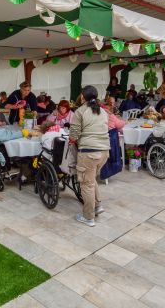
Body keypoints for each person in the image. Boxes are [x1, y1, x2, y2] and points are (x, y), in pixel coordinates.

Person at [69, 85, 110, 227]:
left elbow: (73, 135)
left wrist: (72, 139)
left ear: (82, 96)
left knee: (86, 184)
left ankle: (88, 217)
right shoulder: (103, 111)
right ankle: (98, 206)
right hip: (104, 152)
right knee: (91, 180)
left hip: (89, 152)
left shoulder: (80, 111)